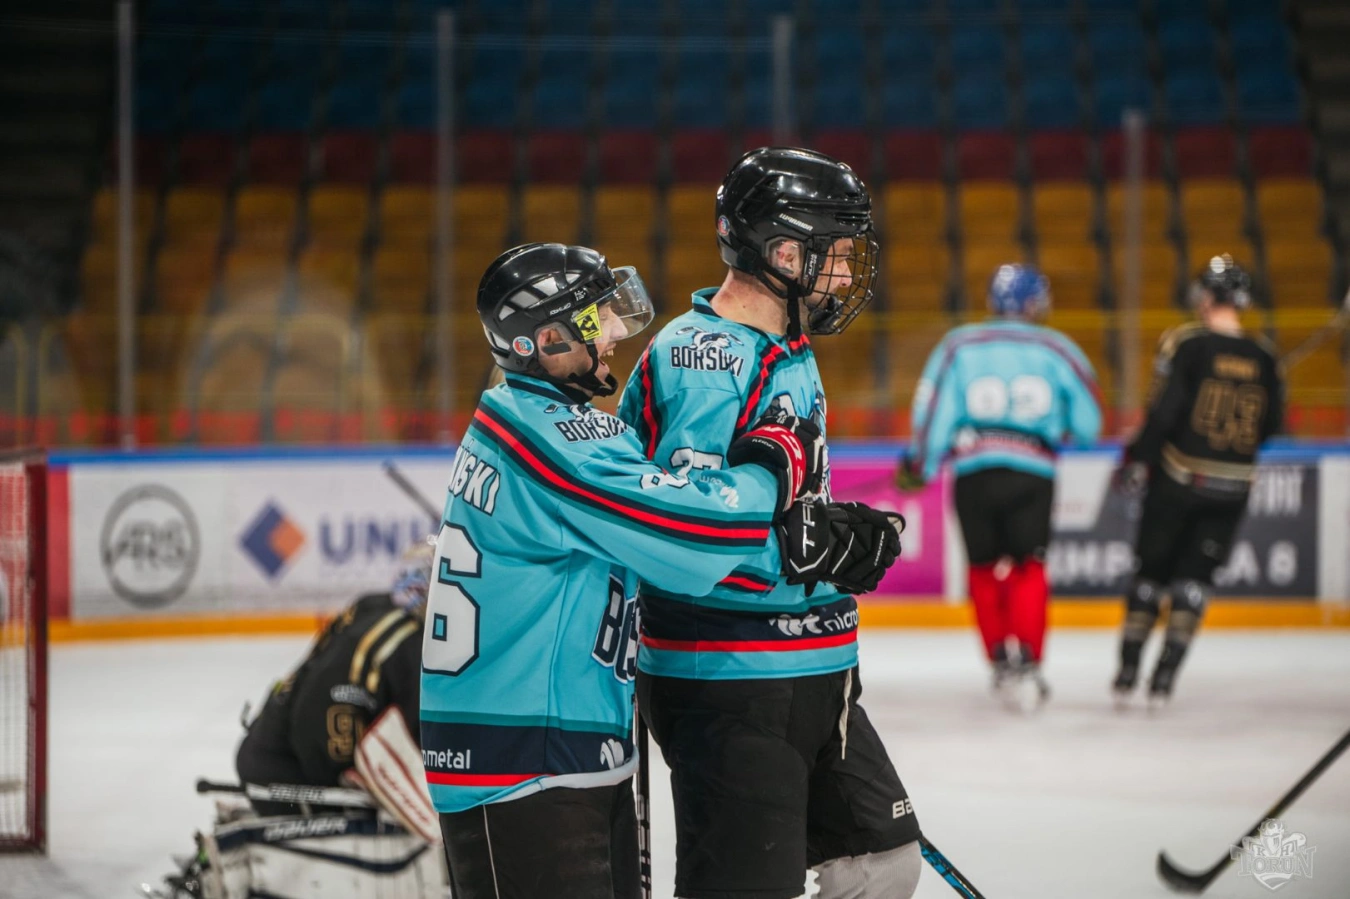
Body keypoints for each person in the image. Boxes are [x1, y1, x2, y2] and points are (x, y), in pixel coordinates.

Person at [422, 242, 901, 899]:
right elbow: (697, 539)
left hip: (552, 748)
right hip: (525, 762)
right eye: (596, 318)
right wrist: (773, 464)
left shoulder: (529, 419)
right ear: (546, 339)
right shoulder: (552, 441)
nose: (615, 330)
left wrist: (803, 534)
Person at [616, 147, 922, 899]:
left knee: (881, 864)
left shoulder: (783, 343)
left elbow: (774, 507)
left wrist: (824, 536)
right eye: (836, 252)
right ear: (785, 252)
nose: (846, 273)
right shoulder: (704, 358)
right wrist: (796, 552)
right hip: (730, 676)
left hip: (809, 664)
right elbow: (685, 532)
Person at [900, 264, 1102, 709]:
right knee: (1030, 565)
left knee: (982, 567)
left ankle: (998, 657)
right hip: (1033, 473)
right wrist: (1066, 431)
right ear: (1033, 303)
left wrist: (921, 463)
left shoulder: (959, 344)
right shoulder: (1056, 347)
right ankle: (1029, 656)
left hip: (975, 473)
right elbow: (1089, 420)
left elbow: (933, 412)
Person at [1111, 255, 1284, 708]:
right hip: (1234, 486)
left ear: (1207, 297)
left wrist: (1136, 458)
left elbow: (1164, 412)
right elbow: (1271, 426)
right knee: (1195, 581)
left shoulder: (1187, 343)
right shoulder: (1266, 357)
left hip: (1179, 477)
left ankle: (1128, 672)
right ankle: (1164, 680)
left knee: (1151, 574)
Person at [235, 539, 436, 817]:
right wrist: (346, 779)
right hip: (282, 772)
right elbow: (321, 709)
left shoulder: (375, 606)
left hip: (269, 751)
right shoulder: (402, 640)